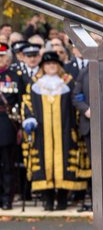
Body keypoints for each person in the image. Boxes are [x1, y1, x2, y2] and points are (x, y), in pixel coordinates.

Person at [20, 51, 90, 210]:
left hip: (65, 132)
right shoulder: (34, 84)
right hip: (42, 133)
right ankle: (48, 200)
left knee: (65, 165)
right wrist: (29, 119)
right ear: (43, 67)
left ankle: (63, 199)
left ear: (59, 66)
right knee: (44, 165)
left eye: (54, 63)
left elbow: (76, 103)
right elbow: (27, 103)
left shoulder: (68, 82)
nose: (51, 66)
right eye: (48, 64)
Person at [0, 46, 22, 209]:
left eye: (1, 56)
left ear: (7, 59)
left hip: (6, 123)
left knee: (7, 163)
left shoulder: (14, 76)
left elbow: (21, 101)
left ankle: (7, 198)